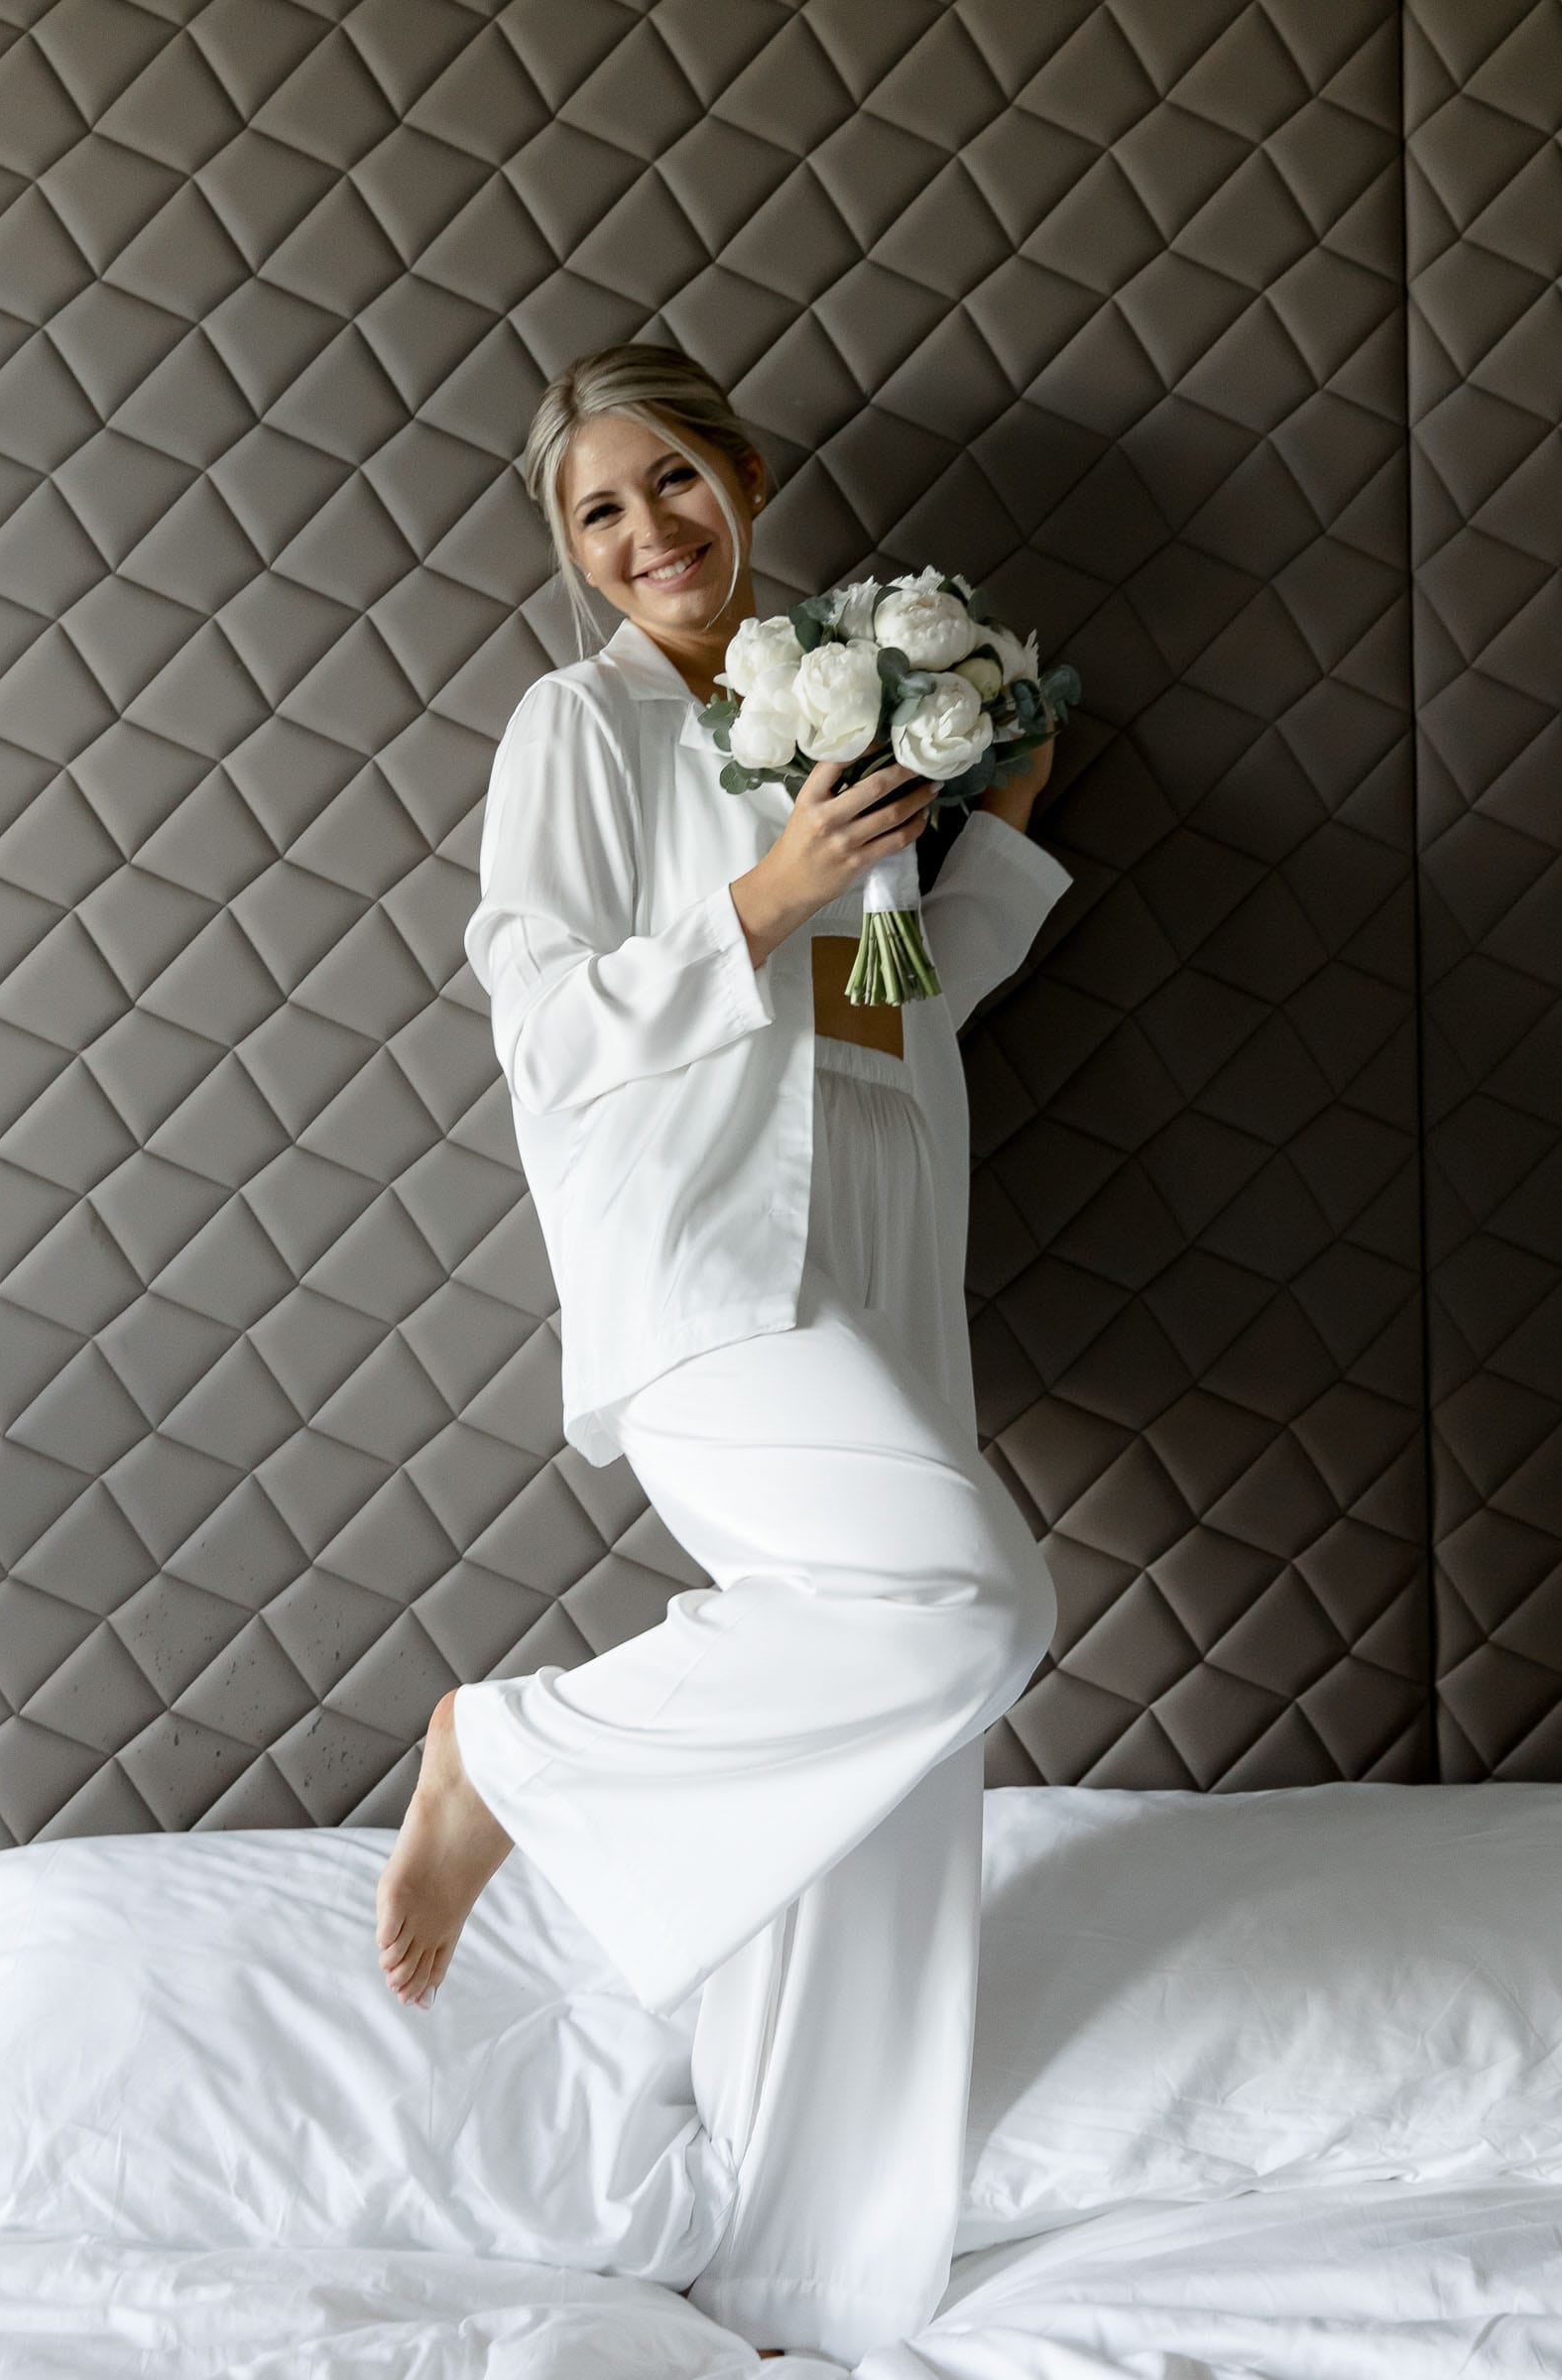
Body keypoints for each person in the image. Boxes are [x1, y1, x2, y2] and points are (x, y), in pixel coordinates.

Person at [375, 342, 1073, 2364]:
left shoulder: (827, 700)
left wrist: (993, 841)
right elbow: (542, 1015)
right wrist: (761, 895)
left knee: (893, 1783)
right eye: (597, 511)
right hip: (697, 1250)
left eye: (672, 482)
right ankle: (508, 1749)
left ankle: (809, 2289)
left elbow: (891, 1003)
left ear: (745, 478)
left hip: (876, 1235)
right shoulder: (573, 726)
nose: (646, 533)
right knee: (971, 1603)